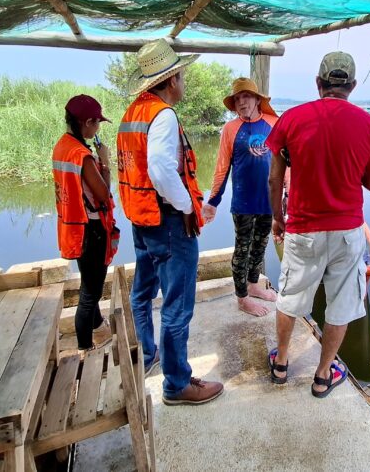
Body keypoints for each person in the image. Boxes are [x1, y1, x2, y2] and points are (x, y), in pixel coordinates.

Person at [265, 51, 370, 398]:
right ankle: (323, 375)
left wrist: (278, 218)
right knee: (341, 303)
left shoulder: (291, 119)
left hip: (302, 229)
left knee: (290, 298)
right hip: (347, 232)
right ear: (352, 86)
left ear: (318, 84)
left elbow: (274, 179)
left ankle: (280, 365)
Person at [117, 39, 223, 406]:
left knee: (142, 293)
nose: (183, 81)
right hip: (168, 222)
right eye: (182, 75)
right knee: (177, 305)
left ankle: (149, 355)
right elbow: (161, 170)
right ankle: (177, 384)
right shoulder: (162, 115)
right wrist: (189, 209)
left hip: (142, 219)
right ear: (172, 78)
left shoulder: (133, 113)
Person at [203, 78, 279, 317]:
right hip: (243, 202)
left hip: (268, 201)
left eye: (246, 96)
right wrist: (213, 201)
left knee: (261, 245)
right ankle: (242, 298)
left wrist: (286, 199)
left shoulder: (273, 123)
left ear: (258, 99)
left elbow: (285, 163)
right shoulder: (230, 129)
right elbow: (222, 167)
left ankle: (254, 285)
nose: (241, 102)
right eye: (237, 98)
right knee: (243, 250)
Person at [52, 94, 119, 351]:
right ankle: (85, 350)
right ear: (87, 122)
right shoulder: (82, 155)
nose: (98, 128)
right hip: (91, 230)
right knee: (90, 294)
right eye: (97, 123)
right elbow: (103, 194)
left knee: (88, 283)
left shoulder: (62, 146)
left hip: (74, 225)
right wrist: (105, 161)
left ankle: (97, 327)